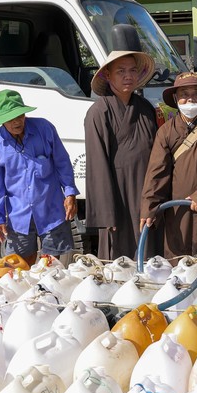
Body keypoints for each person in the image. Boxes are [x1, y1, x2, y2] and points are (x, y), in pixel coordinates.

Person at [140, 72, 197, 272]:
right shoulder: (166, 131)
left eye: (196, 93)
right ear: (175, 99)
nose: (190, 99)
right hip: (178, 211)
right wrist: (149, 206)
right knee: (180, 266)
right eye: (184, 94)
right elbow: (156, 173)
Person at [0, 90, 78, 263]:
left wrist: (70, 193)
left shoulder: (44, 129)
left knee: (49, 265)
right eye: (10, 118)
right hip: (19, 215)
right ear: (1, 120)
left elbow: (62, 162)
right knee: (20, 266)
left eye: (20, 115)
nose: (17, 121)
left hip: (51, 209)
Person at [84, 50, 159, 260]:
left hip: (145, 191)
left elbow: (157, 155)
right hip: (115, 196)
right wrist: (106, 213)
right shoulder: (99, 112)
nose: (128, 76)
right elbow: (96, 165)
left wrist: (155, 197)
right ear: (108, 76)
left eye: (133, 70)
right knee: (118, 258)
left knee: (147, 253)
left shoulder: (145, 109)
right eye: (121, 71)